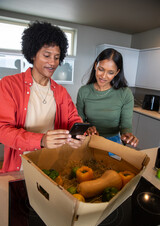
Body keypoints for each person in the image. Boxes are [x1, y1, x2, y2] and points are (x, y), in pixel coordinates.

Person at [0, 21, 88, 173]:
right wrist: (41, 140)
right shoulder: (9, 85)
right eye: (47, 55)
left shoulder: (61, 92)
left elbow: (74, 119)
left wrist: (78, 136)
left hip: (52, 166)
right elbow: (2, 130)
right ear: (33, 54)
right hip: (20, 167)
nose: (52, 63)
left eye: (56, 57)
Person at [76, 48, 139, 148]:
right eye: (101, 69)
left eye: (110, 72)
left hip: (113, 142)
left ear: (117, 72)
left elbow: (125, 125)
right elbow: (79, 119)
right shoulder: (84, 91)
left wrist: (127, 135)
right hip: (90, 140)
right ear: (95, 65)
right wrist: (86, 128)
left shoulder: (125, 93)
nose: (103, 76)